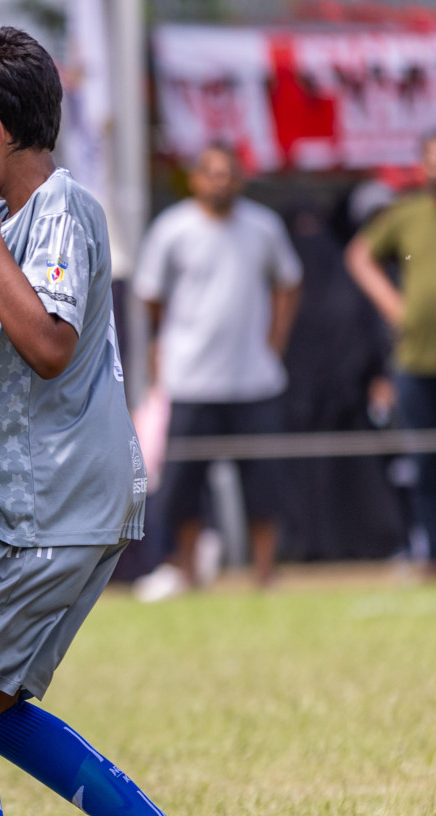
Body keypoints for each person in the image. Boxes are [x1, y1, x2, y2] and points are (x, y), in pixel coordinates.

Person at [0, 27, 246, 816]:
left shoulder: (58, 207)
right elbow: (10, 361)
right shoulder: (3, 236)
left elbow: (52, 344)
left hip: (48, 501)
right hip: (54, 496)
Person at [134, 143, 303, 591]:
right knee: (186, 484)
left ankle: (265, 573)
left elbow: (288, 283)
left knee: (265, 483)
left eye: (229, 173)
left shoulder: (263, 227)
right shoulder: (172, 229)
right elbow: (150, 296)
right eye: (211, 173)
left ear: (241, 178)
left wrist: (275, 343)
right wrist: (168, 345)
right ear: (195, 179)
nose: (221, 181)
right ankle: (189, 572)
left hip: (255, 380)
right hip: (191, 379)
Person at [346, 135, 436, 578]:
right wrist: (393, 305)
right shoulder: (408, 215)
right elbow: (360, 256)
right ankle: (430, 554)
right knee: (424, 462)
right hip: (417, 360)